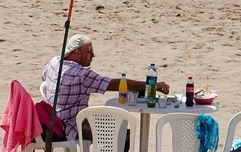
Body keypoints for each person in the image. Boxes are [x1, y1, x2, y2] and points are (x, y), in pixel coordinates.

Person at [39, 35, 169, 143]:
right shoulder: (82, 75)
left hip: (53, 119)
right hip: (71, 125)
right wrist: (152, 85)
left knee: (109, 125)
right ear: (76, 52)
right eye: (89, 51)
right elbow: (116, 84)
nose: (93, 55)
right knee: (121, 135)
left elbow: (44, 78)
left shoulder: (54, 62)